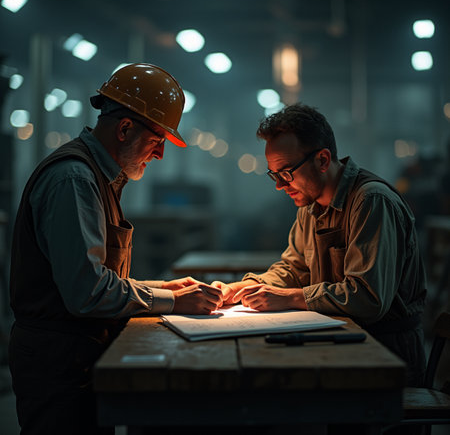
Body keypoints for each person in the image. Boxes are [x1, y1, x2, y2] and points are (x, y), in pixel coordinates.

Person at [8, 63, 223, 435]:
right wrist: (173, 303)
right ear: (125, 129)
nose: (159, 156)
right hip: (57, 361)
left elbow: (93, 277)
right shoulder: (74, 179)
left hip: (76, 354)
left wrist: (163, 289)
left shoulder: (97, 177)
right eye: (157, 142)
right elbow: (86, 293)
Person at [215, 103, 427, 387]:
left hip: (386, 354)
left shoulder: (371, 201)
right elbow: (294, 267)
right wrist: (249, 286)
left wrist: (289, 298)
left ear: (323, 160)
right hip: (344, 340)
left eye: (286, 173)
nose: (279, 185)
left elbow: (368, 299)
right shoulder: (310, 205)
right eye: (273, 175)